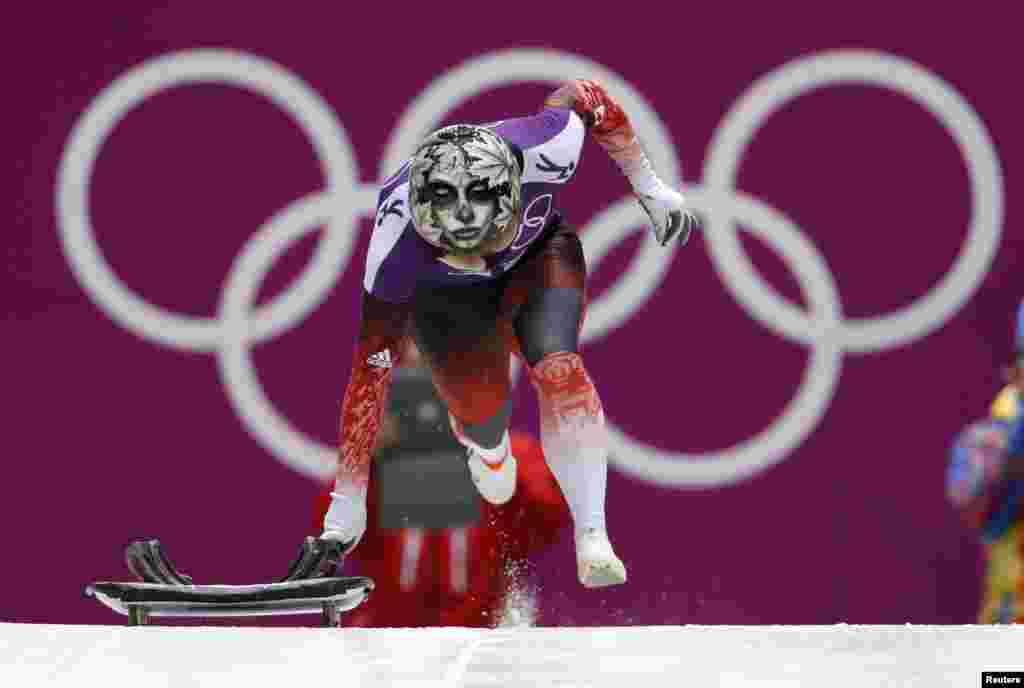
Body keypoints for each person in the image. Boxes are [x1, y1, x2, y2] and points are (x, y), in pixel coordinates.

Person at [321, 79, 699, 588]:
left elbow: (584, 96)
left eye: (479, 237)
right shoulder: (393, 245)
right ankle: (486, 445)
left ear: (510, 200)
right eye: (452, 245)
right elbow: (369, 375)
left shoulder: (551, 145)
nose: (474, 255)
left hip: (538, 261)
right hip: (450, 304)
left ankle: (593, 534)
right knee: (481, 416)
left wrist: (648, 184)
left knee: (561, 368)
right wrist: (348, 501)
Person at [310, 341, 570, 627]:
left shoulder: (515, 455)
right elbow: (330, 533)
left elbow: (547, 522)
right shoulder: (379, 464)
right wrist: (364, 458)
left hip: (484, 635)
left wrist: (493, 453)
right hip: (389, 637)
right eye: (424, 377)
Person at [947, 299, 1024, 623]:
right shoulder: (983, 444)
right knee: (1001, 678)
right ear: (1015, 374)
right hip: (1011, 644)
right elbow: (981, 508)